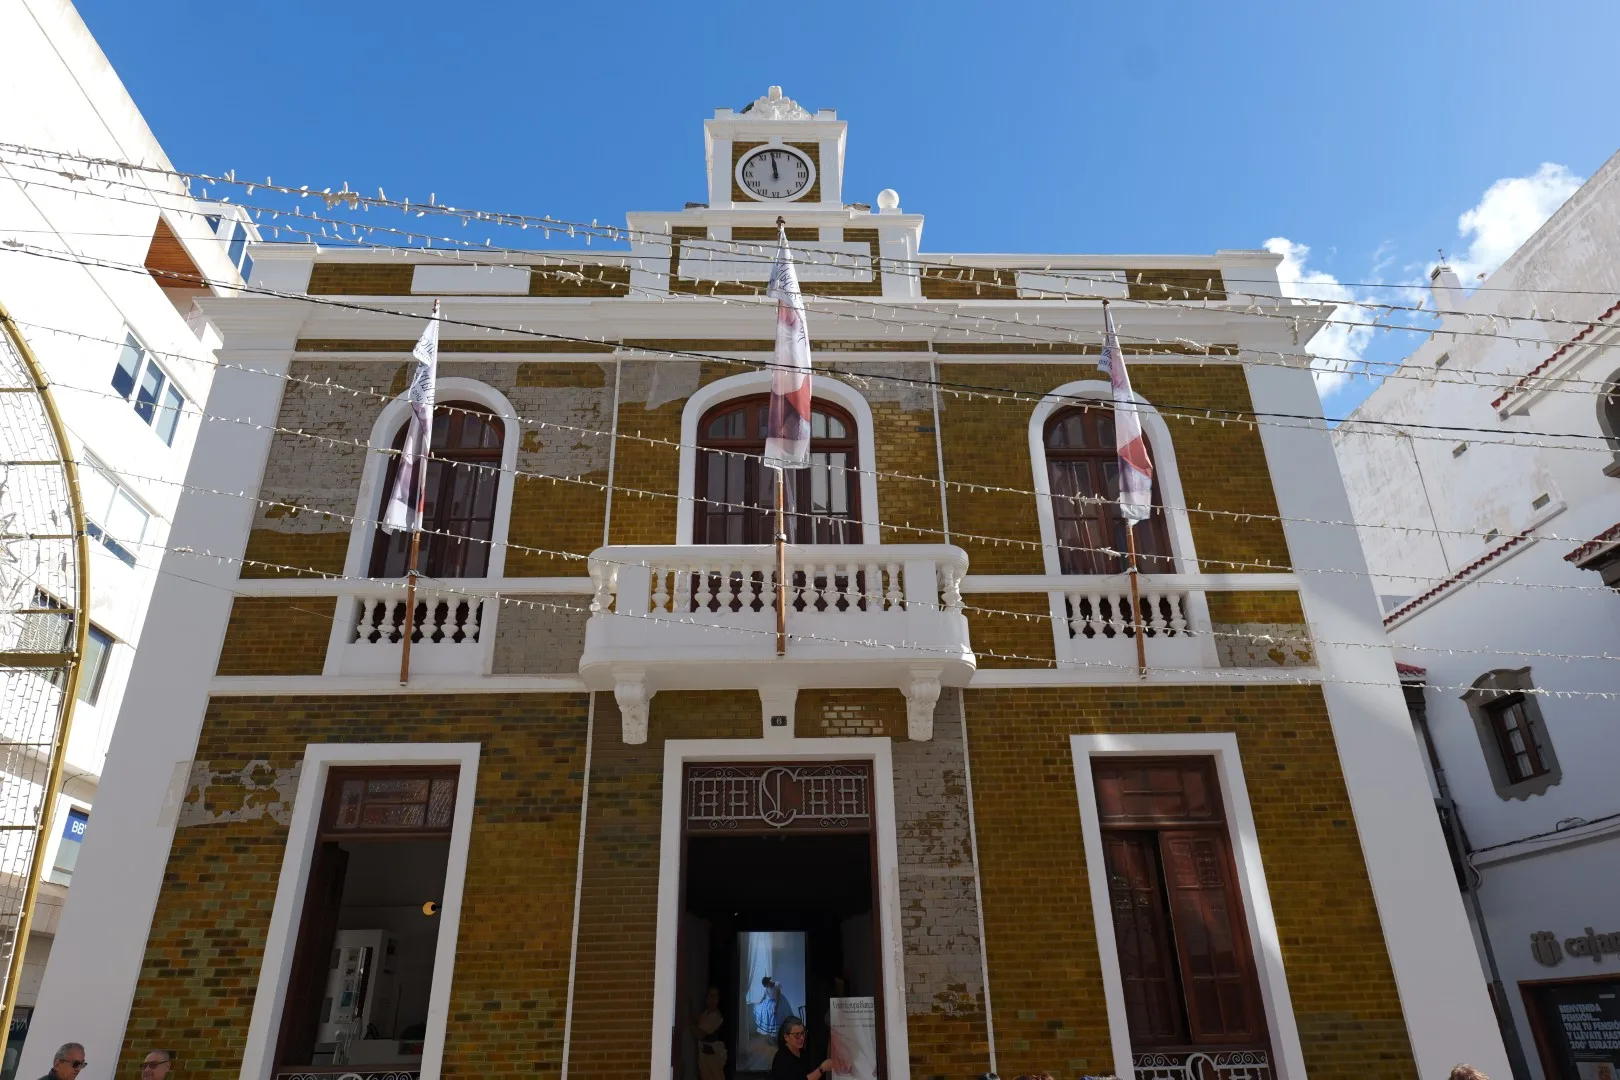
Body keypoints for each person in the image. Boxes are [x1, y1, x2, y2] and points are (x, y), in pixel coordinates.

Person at [692, 987, 726, 1080]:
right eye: (711, 995)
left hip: (712, 1057)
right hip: (704, 1056)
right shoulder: (706, 1013)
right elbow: (697, 1019)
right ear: (707, 998)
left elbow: (700, 1034)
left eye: (716, 996)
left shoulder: (716, 1016)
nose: (713, 998)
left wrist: (688, 1024)